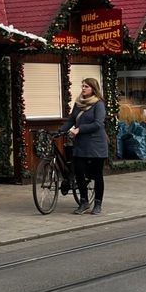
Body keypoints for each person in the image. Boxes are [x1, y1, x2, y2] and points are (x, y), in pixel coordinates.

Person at [58, 77, 110, 216]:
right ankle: (84, 202)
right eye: (82, 86)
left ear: (93, 88)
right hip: (80, 144)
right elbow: (71, 120)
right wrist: (61, 130)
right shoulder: (78, 103)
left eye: (86, 86)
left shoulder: (98, 104)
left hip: (96, 144)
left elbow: (98, 124)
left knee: (97, 175)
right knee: (79, 173)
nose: (83, 88)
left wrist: (80, 129)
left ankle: (98, 203)